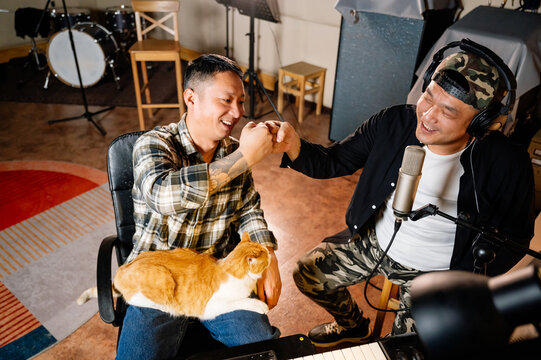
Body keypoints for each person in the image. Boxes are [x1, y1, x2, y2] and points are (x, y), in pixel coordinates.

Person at [265, 40, 535, 347]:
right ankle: (353, 326)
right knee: (307, 274)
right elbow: (335, 160)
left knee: (402, 351)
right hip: (375, 243)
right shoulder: (394, 122)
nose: (428, 116)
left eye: (447, 111)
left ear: (481, 122)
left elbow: (515, 237)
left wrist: (465, 281)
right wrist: (295, 146)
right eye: (428, 96)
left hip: (438, 274)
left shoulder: (507, 163)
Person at [116, 54, 282, 360]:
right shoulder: (154, 144)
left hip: (219, 276)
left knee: (267, 352)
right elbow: (162, 194)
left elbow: (248, 209)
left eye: (241, 102)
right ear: (191, 98)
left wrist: (267, 254)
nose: (238, 112)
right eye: (227, 100)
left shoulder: (233, 150)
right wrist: (243, 159)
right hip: (161, 278)